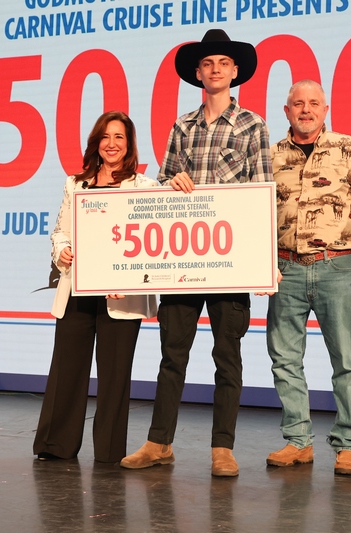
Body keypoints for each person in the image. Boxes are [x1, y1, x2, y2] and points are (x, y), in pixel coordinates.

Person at [120, 29, 272, 477]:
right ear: (197, 74)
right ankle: (159, 442)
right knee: (173, 354)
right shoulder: (182, 126)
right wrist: (174, 183)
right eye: (207, 64)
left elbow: (264, 193)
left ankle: (222, 449)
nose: (215, 69)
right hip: (183, 262)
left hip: (229, 261)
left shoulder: (254, 125)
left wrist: (263, 264)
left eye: (223, 63)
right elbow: (164, 184)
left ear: (235, 71)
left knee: (228, 356)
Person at [262, 80, 351, 475]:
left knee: (346, 360)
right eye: (298, 103)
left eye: (313, 103)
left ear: (325, 109)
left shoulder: (349, 149)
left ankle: (348, 444)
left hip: (335, 268)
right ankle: (298, 442)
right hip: (284, 268)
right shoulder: (269, 155)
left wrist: (347, 242)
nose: (306, 110)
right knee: (284, 360)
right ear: (287, 110)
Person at [33, 111, 158, 463]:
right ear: (96, 143)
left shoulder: (145, 187)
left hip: (121, 295)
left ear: (129, 144)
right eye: (105, 137)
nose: (112, 144)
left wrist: (129, 277)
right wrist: (62, 250)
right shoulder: (76, 184)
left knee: (115, 376)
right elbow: (60, 231)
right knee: (66, 370)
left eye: (119, 137)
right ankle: (55, 444)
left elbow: (152, 242)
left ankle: (107, 451)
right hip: (78, 289)